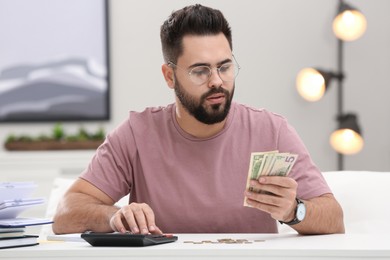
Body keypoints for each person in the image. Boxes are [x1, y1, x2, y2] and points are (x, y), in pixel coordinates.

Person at [53, 4, 344, 235]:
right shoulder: (137, 133)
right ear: (170, 76)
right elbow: (66, 213)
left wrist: (295, 210)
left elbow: (334, 217)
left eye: (225, 67)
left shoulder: (271, 129)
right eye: (200, 70)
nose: (217, 81)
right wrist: (115, 216)